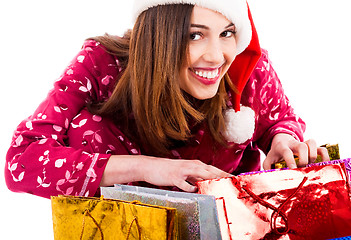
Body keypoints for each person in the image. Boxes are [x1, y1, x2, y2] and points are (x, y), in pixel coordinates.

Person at [5, 0, 329, 199]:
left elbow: (280, 120)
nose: (217, 56)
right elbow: (21, 161)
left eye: (227, 32)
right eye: (194, 34)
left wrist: (283, 140)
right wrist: (151, 169)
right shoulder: (101, 63)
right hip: (122, 225)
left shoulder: (246, 69)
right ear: (158, 36)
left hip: (226, 227)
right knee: (84, 126)